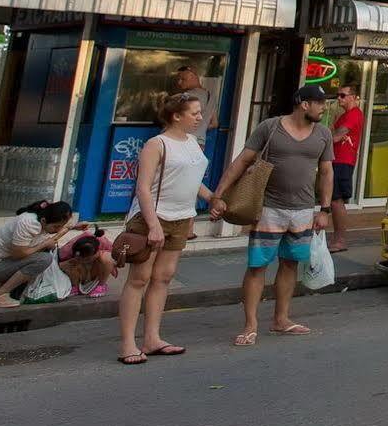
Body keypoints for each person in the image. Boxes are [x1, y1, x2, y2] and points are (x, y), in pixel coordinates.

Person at [211, 84, 334, 345]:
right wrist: (218, 194)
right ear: (304, 104)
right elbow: (242, 161)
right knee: (257, 265)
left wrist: (324, 209)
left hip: (302, 210)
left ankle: (281, 319)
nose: (324, 108)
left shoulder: (323, 134)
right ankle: (250, 324)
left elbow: (326, 172)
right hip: (269, 208)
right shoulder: (271, 127)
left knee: (289, 264)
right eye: (320, 103)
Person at [116, 92, 216, 365]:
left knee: (163, 277)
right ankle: (127, 343)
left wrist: (211, 198)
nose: (198, 118)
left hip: (182, 217)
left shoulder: (194, 143)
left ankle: (152, 338)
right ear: (176, 116)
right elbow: (143, 188)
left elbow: (193, 179)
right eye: (194, 113)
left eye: (199, 113)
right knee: (139, 278)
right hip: (152, 217)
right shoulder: (156, 144)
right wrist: (152, 225)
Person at [0, 200, 88, 307]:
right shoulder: (29, 223)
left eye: (61, 226)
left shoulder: (41, 219)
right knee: (43, 259)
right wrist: (44, 244)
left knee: (43, 253)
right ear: (44, 220)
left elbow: (51, 239)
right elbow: (18, 254)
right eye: (56, 226)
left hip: (0, 264)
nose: (58, 230)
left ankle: (5, 291)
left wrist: (71, 227)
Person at [327, 85, 363, 254]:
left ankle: (340, 239)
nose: (339, 98)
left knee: (337, 199)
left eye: (343, 95)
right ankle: (337, 237)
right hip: (337, 159)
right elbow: (333, 131)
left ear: (353, 97)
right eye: (338, 95)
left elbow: (336, 136)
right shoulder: (344, 115)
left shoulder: (354, 115)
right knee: (333, 199)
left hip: (343, 161)